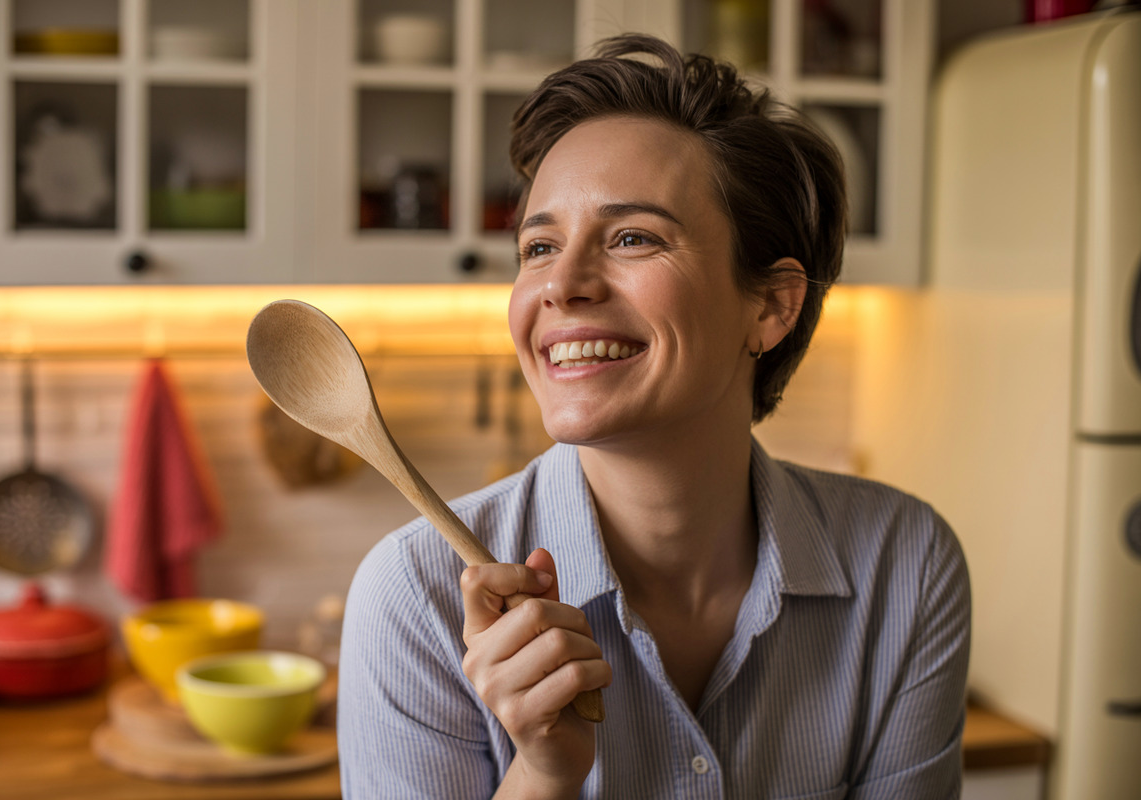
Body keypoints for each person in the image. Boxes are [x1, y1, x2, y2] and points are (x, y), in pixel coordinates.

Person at [338, 34, 970, 799]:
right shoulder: (416, 596)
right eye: (538, 246)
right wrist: (541, 774)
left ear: (772, 304)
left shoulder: (902, 565)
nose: (561, 285)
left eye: (632, 237)